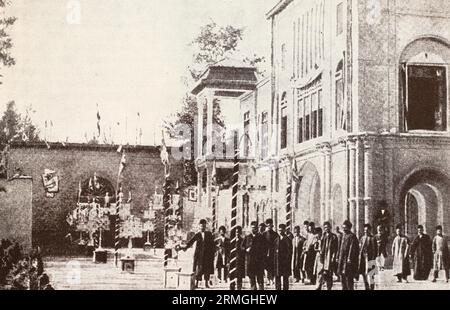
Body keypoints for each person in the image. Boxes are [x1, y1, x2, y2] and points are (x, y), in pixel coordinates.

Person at [181, 219, 215, 288]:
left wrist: (213, 251)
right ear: (199, 226)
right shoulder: (197, 234)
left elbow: (212, 243)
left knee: (206, 269)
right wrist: (185, 247)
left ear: (205, 226)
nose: (203, 227)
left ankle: (206, 283)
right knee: (199, 269)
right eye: (201, 226)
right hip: (199, 255)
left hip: (207, 255)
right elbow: (191, 242)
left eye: (204, 226)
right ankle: (196, 283)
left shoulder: (209, 234)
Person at [242, 221, 267, 290]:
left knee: (260, 278)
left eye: (255, 228)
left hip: (259, 261)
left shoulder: (261, 237)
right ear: (250, 228)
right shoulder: (247, 237)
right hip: (250, 261)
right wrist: (246, 249)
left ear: (257, 228)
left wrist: (262, 255)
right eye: (252, 228)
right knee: (252, 278)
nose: (254, 229)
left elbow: (265, 248)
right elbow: (242, 247)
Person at [337, 220, 359, 290]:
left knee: (348, 278)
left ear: (349, 228)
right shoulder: (343, 236)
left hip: (348, 261)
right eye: (343, 227)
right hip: (342, 259)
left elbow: (352, 248)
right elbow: (339, 247)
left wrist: (349, 258)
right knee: (342, 277)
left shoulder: (352, 236)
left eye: (345, 228)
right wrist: (338, 257)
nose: (344, 229)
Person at [317, 222, 338, 290]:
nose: (326, 229)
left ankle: (329, 287)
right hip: (323, 256)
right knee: (321, 272)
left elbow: (335, 249)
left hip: (329, 256)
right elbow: (320, 245)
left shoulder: (334, 237)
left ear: (330, 227)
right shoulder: (323, 236)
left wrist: (333, 257)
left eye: (327, 227)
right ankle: (319, 286)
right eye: (325, 227)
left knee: (329, 273)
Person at [358, 224, 377, 290]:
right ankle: (366, 286)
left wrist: (373, 259)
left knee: (371, 274)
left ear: (370, 230)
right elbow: (360, 248)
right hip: (363, 258)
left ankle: (372, 287)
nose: (365, 231)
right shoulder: (362, 238)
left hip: (370, 258)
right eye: (364, 230)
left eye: (367, 230)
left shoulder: (372, 238)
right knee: (363, 273)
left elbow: (375, 249)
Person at [274, 224, 292, 290]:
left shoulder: (287, 240)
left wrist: (286, 260)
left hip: (284, 262)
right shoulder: (276, 240)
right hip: (278, 262)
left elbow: (289, 251)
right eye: (279, 230)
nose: (280, 232)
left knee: (285, 277)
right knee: (277, 276)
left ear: (284, 230)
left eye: (282, 230)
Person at [263, 219, 279, 286]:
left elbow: (277, 243)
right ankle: (268, 279)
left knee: (272, 266)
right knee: (266, 266)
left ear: (272, 225)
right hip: (265, 252)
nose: (269, 227)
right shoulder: (264, 234)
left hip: (273, 252)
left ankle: (272, 279)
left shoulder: (275, 234)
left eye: (270, 225)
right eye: (268, 225)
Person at [234, 226, 246, 290]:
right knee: (232, 275)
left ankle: (239, 287)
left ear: (240, 232)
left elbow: (244, 249)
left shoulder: (243, 240)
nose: (237, 233)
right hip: (233, 260)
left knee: (239, 275)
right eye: (236, 232)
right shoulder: (232, 240)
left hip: (240, 260)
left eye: (238, 232)